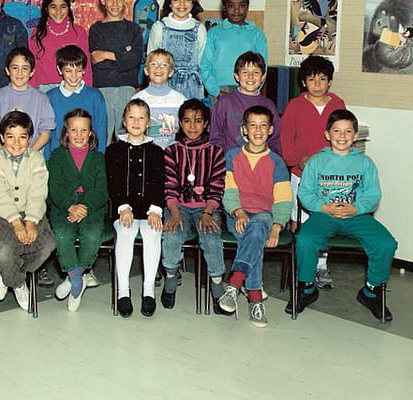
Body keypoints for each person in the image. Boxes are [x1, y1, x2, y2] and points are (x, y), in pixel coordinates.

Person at [287, 109, 396, 322]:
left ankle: (371, 292)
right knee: (305, 240)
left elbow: (373, 195)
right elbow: (305, 193)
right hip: (324, 214)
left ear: (355, 136)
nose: (342, 136)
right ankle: (307, 288)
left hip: (357, 215)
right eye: (337, 131)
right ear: (327, 134)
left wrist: (356, 208)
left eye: (348, 131)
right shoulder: (317, 161)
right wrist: (324, 207)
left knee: (386, 243)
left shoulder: (365, 163)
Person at [217, 106, 292, 328]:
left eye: (263, 125)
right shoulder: (232, 157)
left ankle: (234, 284)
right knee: (255, 239)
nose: (258, 130)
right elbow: (229, 192)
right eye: (252, 125)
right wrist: (238, 212)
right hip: (236, 213)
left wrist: (277, 227)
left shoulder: (277, 162)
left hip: (264, 215)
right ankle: (255, 299)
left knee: (258, 229)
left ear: (270, 130)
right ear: (244, 130)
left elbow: (283, 199)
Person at [280, 55, 346, 289]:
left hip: (330, 177)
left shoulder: (337, 104)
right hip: (301, 174)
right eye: (311, 79)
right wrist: (299, 160)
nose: (317, 84)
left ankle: (321, 266)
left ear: (329, 81)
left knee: (325, 221)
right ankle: (304, 266)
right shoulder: (294, 106)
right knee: (301, 222)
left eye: (322, 79)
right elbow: (286, 140)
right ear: (303, 82)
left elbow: (343, 135)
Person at [161, 99, 228, 314]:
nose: (192, 126)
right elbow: (169, 186)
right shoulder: (171, 151)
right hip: (177, 207)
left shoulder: (216, 152)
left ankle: (217, 289)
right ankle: (170, 279)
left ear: (206, 124)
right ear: (180, 123)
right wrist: (174, 213)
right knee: (172, 236)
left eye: (198, 121)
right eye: (187, 121)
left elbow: (217, 186)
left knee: (211, 239)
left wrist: (208, 212)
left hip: (206, 208)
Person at [0, 111, 56, 311]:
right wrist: (16, 222)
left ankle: (7, 273)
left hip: (31, 211)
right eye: (10, 137)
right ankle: (16, 282)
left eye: (22, 137)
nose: (16, 143)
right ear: (1, 137)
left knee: (47, 244)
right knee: (3, 249)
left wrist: (31, 221)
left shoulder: (36, 159)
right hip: (0, 213)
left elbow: (38, 193)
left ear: (30, 138)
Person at [105, 99, 165, 318]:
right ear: (124, 121)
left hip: (149, 210)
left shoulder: (157, 152)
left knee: (152, 233)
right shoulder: (114, 150)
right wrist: (123, 207)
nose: (136, 122)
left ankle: (148, 290)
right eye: (131, 117)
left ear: (148, 123)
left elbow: (160, 183)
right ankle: (123, 291)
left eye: (141, 118)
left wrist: (155, 210)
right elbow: (114, 183)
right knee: (126, 232)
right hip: (124, 209)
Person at [47, 109, 108, 311]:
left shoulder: (98, 158)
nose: (79, 135)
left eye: (84, 130)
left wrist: (85, 207)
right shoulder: (57, 156)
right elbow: (54, 187)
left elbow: (102, 189)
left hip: (92, 207)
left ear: (90, 133)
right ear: (66, 132)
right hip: (63, 206)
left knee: (91, 235)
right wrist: (70, 206)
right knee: (62, 235)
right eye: (74, 130)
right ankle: (77, 279)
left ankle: (75, 277)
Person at [89, 0, 144, 143]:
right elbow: (97, 61)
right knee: (102, 134)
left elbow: (135, 59)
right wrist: (123, 52)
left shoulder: (133, 29)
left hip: (127, 87)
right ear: (102, 0)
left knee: (127, 135)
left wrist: (106, 54)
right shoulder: (96, 29)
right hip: (103, 87)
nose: (115, 4)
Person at [200, 0, 268, 99]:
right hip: (219, 90)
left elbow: (263, 67)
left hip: (248, 89)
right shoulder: (214, 32)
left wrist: (252, 90)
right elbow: (205, 65)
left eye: (242, 5)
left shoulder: (257, 34)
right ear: (224, 7)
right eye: (231, 5)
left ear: (247, 6)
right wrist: (216, 91)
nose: (237, 10)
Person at [210, 51, 281, 155]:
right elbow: (216, 138)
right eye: (245, 72)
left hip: (261, 161)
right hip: (230, 161)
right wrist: (222, 160)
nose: (250, 77)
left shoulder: (268, 105)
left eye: (256, 72)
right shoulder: (224, 102)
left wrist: (269, 160)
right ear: (237, 76)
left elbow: (274, 140)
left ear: (263, 76)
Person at [147, 0, 207, 100]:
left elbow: (201, 61)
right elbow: (151, 59)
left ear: (193, 3)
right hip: (164, 82)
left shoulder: (199, 28)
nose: (182, 4)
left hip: (192, 86)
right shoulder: (159, 27)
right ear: (169, 3)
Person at [0, 47, 55, 153]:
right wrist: (3, 154)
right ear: (7, 70)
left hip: (32, 154)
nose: (20, 73)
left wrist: (29, 154)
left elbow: (45, 133)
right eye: (15, 68)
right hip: (5, 155)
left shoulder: (41, 98)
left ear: (32, 72)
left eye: (25, 68)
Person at [45, 45, 107, 157]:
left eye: (78, 70)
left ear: (84, 70)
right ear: (59, 70)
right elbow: (46, 134)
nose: (74, 76)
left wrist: (98, 158)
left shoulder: (95, 96)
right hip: (58, 158)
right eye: (68, 71)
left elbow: (101, 131)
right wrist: (48, 160)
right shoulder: (50, 97)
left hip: (88, 157)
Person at [28, 0, 91, 93]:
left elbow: (86, 65)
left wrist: (86, 91)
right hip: (43, 89)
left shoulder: (79, 32)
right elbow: (32, 64)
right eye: (53, 7)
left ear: (68, 8)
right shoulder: (37, 33)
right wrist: (31, 92)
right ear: (46, 9)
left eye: (63, 7)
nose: (58, 11)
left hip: (73, 86)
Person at [133, 49, 186, 149]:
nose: (158, 68)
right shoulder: (137, 99)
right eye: (154, 64)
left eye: (164, 65)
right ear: (146, 70)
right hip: (147, 152)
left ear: (171, 72)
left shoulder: (180, 100)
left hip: (173, 153)